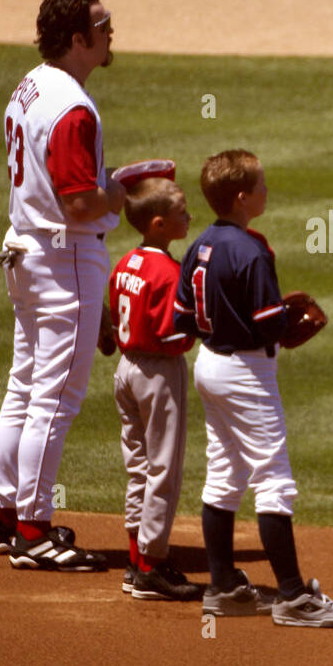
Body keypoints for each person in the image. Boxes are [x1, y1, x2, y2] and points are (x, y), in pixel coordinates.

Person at [174, 149, 333, 627]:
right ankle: (294, 596)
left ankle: (223, 585)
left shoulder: (200, 244)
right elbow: (265, 323)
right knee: (273, 478)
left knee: (226, 473)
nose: (266, 191)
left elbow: (183, 318)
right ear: (242, 197)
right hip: (245, 373)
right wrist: (285, 317)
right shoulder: (251, 249)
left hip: (209, 364)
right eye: (260, 185)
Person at [0, 0, 125, 570]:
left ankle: (4, 518)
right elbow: (76, 203)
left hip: (24, 250)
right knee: (56, 396)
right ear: (77, 38)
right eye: (103, 22)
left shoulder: (31, 84)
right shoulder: (70, 105)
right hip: (63, 256)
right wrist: (118, 193)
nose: (111, 29)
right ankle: (34, 530)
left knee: (23, 386)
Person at [109, 176, 199, 602]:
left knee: (140, 467)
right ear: (159, 224)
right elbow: (170, 336)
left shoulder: (125, 262)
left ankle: (136, 558)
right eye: (182, 211)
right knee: (164, 468)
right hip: (158, 373)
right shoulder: (168, 271)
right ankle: (152, 565)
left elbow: (114, 320)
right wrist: (199, 329)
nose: (190, 216)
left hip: (125, 370)